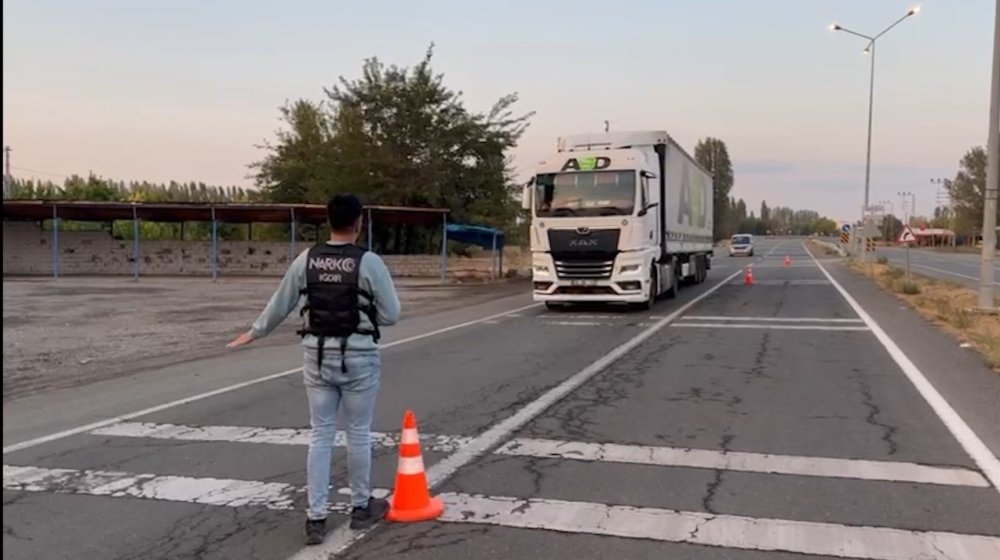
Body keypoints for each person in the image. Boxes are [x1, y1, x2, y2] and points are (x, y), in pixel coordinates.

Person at [227, 194, 400, 545]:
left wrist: (254, 332)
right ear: (359, 222)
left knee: (320, 435)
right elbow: (392, 314)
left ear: (328, 221)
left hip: (316, 357)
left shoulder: (306, 259)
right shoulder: (369, 262)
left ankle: (316, 518)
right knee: (357, 433)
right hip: (358, 358)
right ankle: (360, 507)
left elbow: (281, 304)